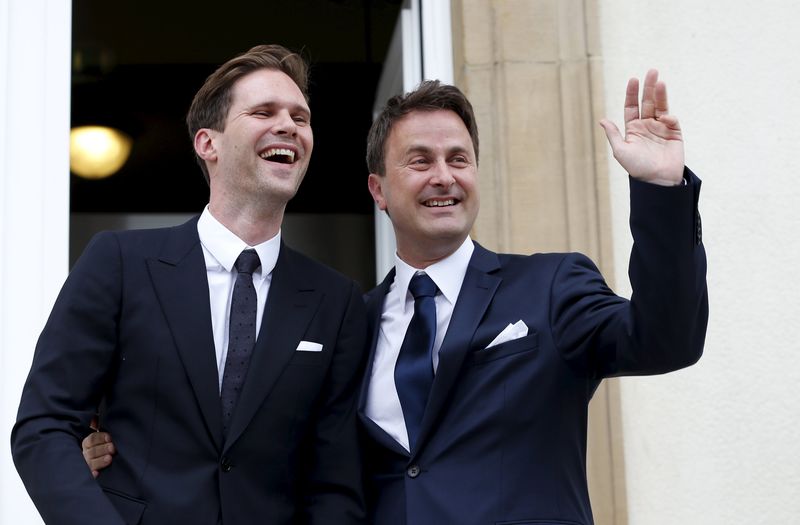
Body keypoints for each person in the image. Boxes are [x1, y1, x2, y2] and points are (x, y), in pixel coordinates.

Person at [84, 71, 708, 524]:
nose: (444, 176)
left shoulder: (551, 285)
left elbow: (666, 338)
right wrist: (112, 452)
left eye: (459, 158)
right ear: (378, 190)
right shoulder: (342, 320)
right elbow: (274, 449)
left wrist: (660, 189)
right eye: (420, 160)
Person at [11, 44, 368, 525]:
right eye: (263, 111)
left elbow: (334, 483)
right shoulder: (118, 262)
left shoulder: (336, 300)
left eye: (300, 118)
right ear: (208, 143)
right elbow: (45, 425)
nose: (288, 125)